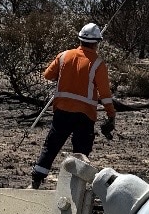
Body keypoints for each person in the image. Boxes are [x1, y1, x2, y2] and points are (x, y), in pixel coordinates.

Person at [31, 23, 116, 188]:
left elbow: (48, 75)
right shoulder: (98, 64)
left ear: (80, 39)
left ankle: (36, 180)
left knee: (51, 147)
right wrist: (111, 114)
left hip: (62, 110)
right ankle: (76, 187)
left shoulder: (64, 56)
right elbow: (105, 95)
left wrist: (65, 76)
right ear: (97, 42)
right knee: (81, 152)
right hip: (85, 115)